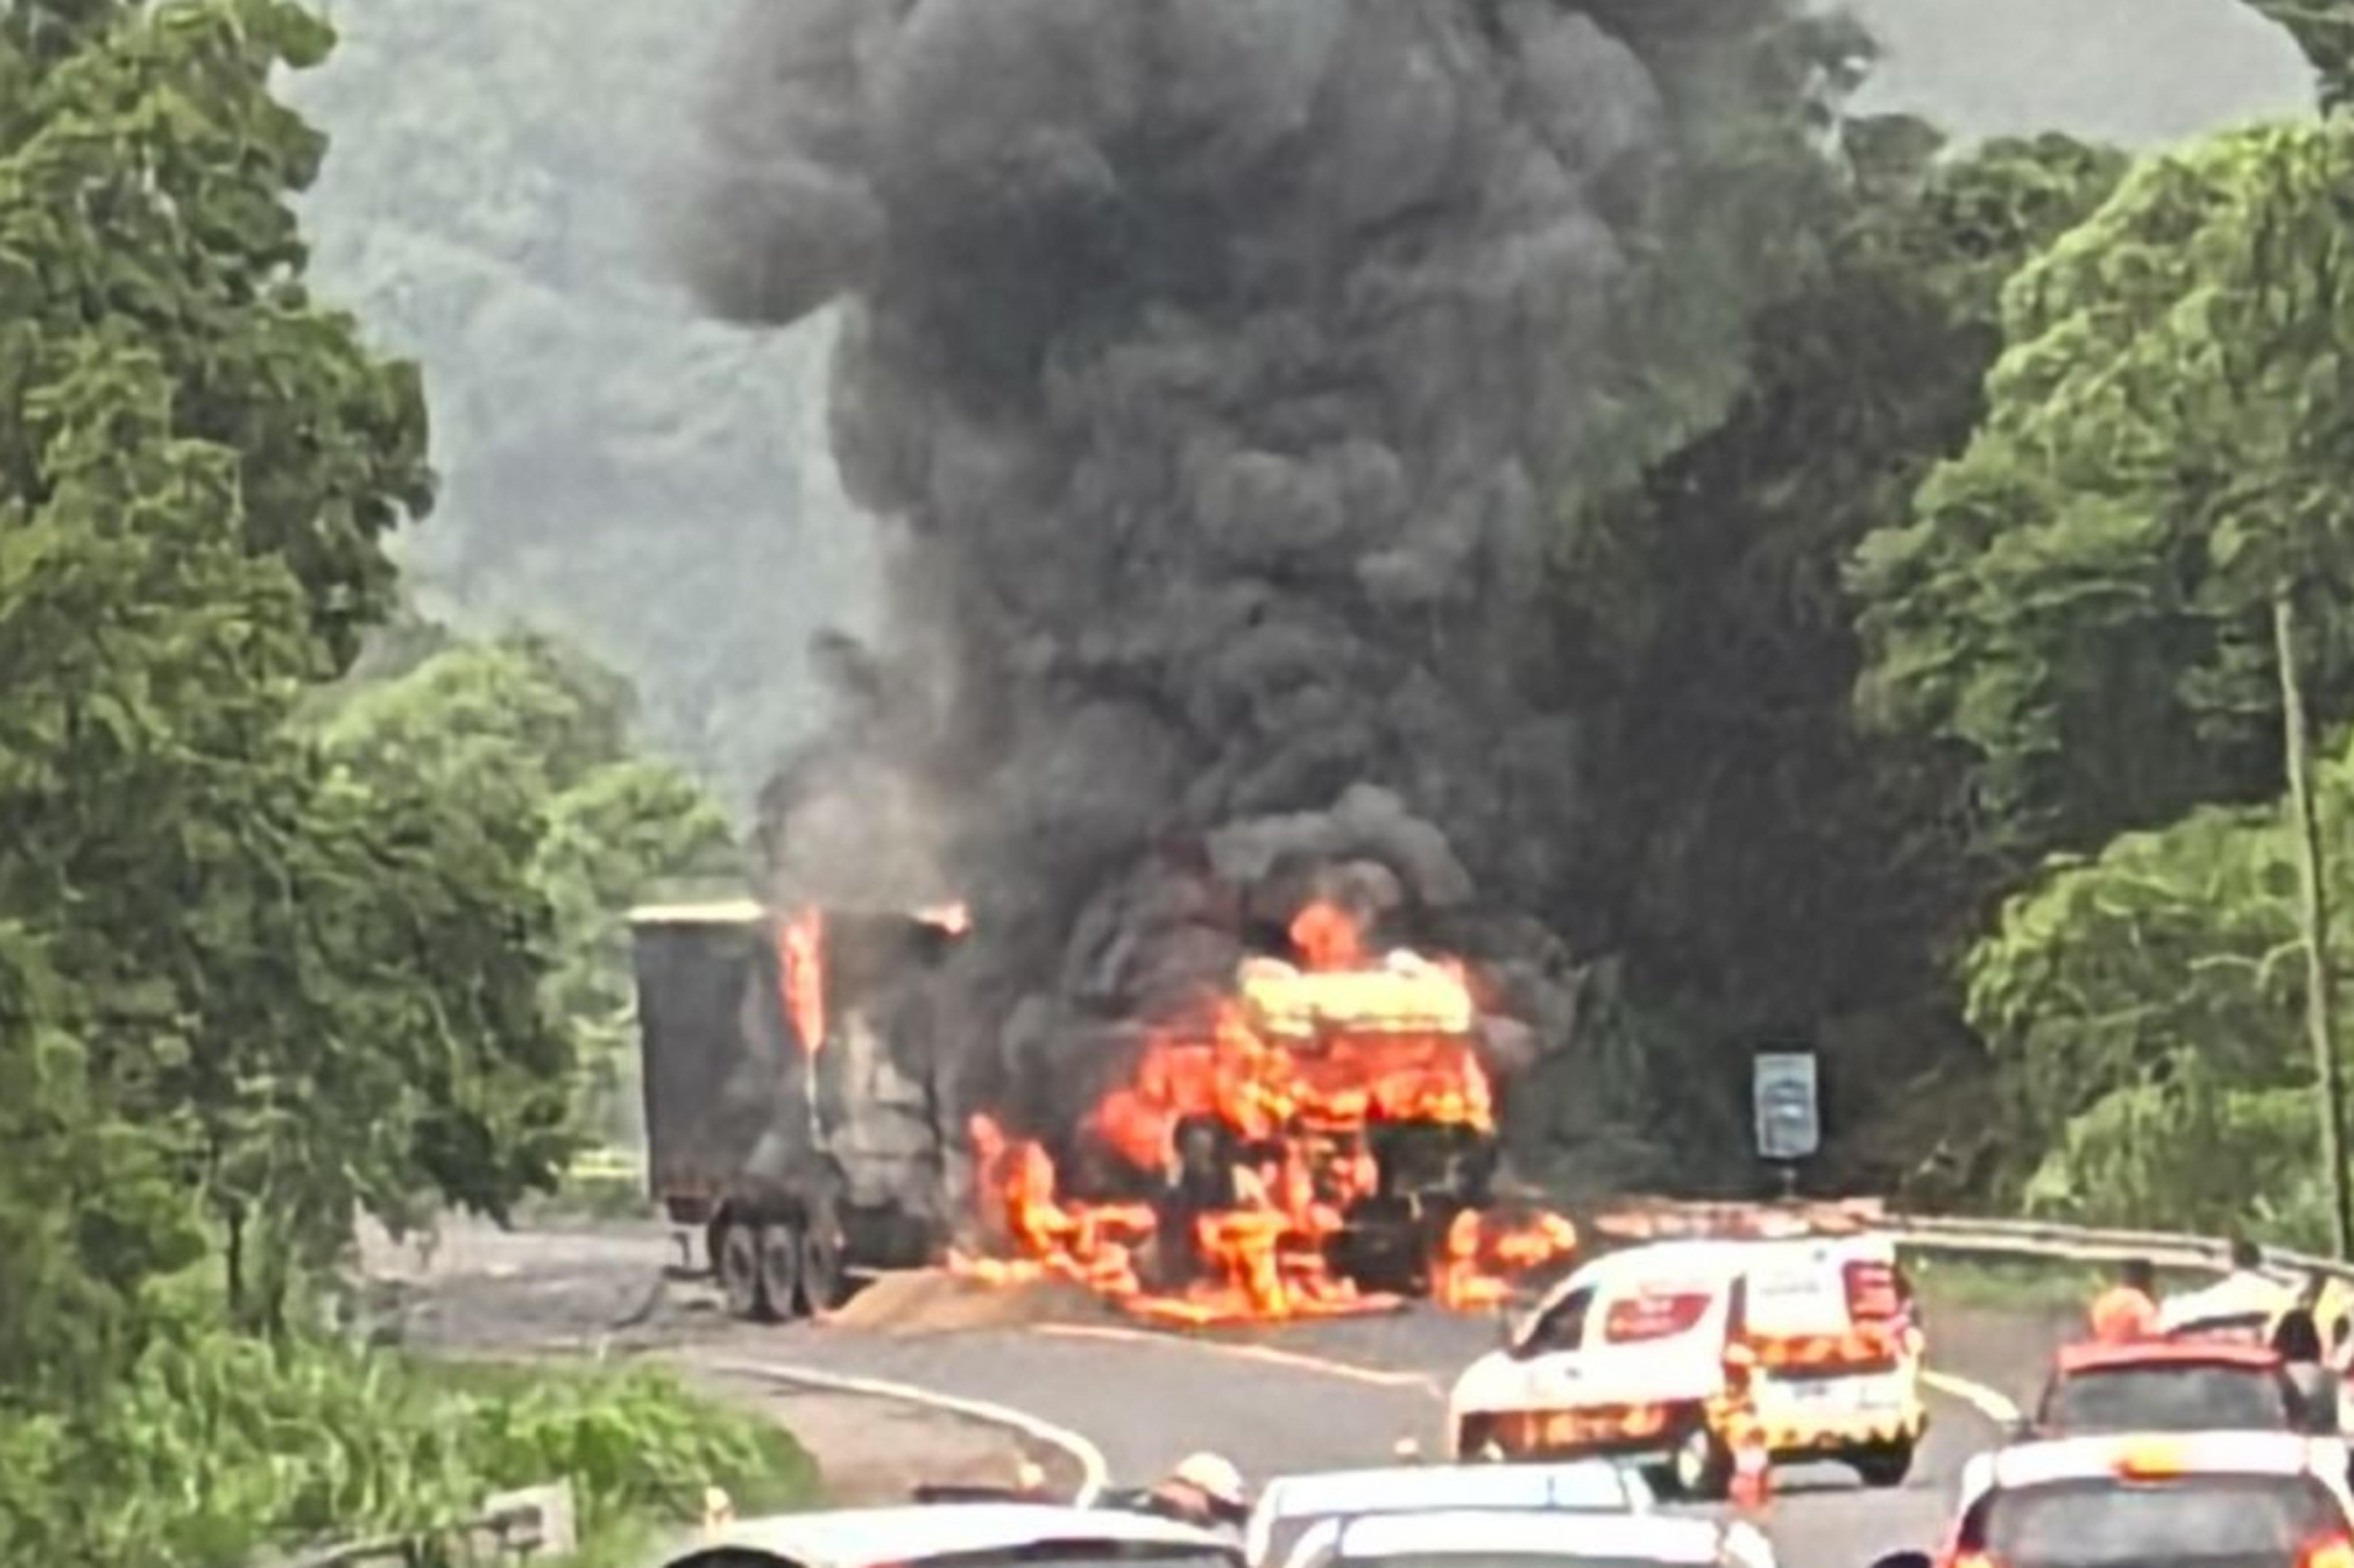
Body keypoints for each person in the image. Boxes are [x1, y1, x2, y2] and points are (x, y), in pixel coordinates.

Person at [2158, 1237, 2294, 1340]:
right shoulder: (2280, 1296)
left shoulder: (2220, 1295)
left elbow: (2181, 1315)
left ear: (2232, 1262)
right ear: (2259, 1262)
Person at [1105, 1453, 1249, 1538]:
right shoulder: (1113, 1510)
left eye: (1225, 1511)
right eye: (1216, 1505)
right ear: (1188, 1488)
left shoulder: (1206, 1548)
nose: (1214, 1518)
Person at [2088, 1258, 2159, 1343]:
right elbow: (2151, 1329)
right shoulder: (2138, 1300)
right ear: (2146, 1280)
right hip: (2134, 1348)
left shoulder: (2105, 1300)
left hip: (2107, 1347)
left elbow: (2097, 1327)